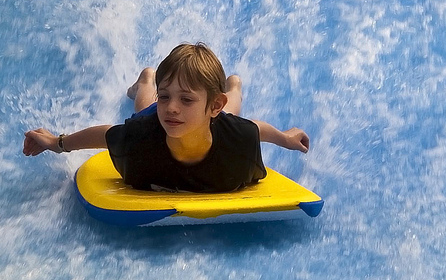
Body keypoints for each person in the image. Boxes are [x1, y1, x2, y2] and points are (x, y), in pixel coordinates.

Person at [23, 43, 309, 192]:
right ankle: (147, 80)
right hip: (165, 123)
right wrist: (57, 143)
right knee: (144, 110)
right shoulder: (142, 135)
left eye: (185, 99)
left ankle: (233, 86)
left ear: (213, 105)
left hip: (216, 119)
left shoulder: (236, 137)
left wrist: (285, 138)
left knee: (229, 115)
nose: (172, 107)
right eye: (165, 96)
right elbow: (106, 134)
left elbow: (255, 129)